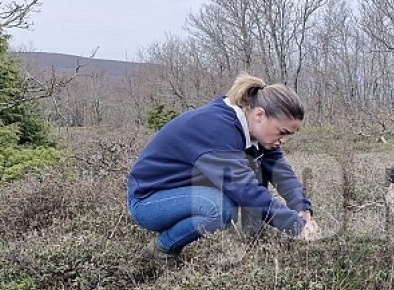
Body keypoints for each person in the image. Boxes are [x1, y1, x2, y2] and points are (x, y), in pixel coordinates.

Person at [127, 73, 318, 265]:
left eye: (289, 135)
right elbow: (245, 190)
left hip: (185, 191)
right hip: (149, 201)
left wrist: (301, 207)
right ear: (259, 115)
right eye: (282, 132)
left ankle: (253, 243)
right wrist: (294, 226)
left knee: (256, 172)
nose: (284, 140)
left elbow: (282, 173)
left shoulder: (255, 131)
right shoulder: (217, 129)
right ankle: (162, 249)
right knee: (220, 208)